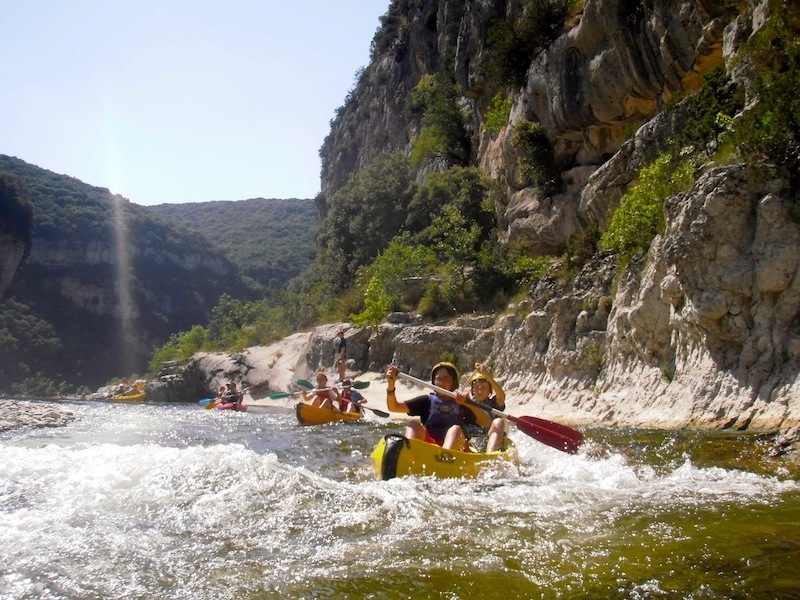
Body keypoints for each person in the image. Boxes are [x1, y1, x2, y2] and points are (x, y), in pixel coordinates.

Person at [385, 362, 492, 451]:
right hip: (432, 446)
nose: (441, 382)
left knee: (455, 430)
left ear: (453, 381)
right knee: (413, 424)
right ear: (434, 382)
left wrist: (468, 404)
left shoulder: (461, 402)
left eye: (446, 378)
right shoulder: (426, 401)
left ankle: (445, 457)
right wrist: (391, 386)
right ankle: (409, 453)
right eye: (438, 379)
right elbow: (394, 407)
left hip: (456, 450)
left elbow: (486, 422)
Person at [464, 363, 507, 452]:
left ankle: (491, 454)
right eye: (476, 388)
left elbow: (501, 396)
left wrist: (487, 376)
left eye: (483, 388)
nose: (480, 391)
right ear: (473, 390)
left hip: (491, 438)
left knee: (499, 421)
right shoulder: (467, 403)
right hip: (472, 441)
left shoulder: (494, 402)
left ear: (489, 390)